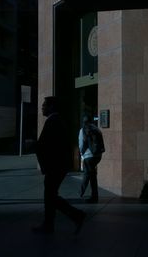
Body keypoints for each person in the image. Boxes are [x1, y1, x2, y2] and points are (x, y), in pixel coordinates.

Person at [33, 96, 86, 234]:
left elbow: (44, 146)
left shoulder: (53, 121)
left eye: (44, 105)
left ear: (51, 107)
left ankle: (75, 215)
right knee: (50, 195)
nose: (42, 107)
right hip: (58, 166)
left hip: (54, 166)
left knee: (50, 195)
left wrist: (45, 164)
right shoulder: (58, 121)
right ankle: (50, 224)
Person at [78, 114, 105, 203]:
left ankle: (84, 194)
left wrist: (82, 153)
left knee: (88, 175)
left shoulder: (82, 130)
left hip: (88, 156)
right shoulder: (97, 129)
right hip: (97, 155)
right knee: (91, 174)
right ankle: (88, 194)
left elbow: (81, 144)